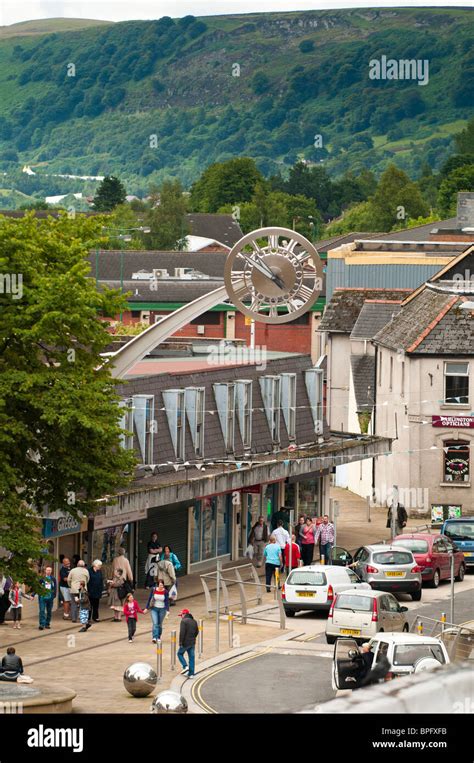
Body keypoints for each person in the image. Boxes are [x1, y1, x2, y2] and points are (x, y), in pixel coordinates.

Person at [146, 579, 169, 643]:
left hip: (162, 609)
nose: (161, 586)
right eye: (160, 585)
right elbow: (150, 599)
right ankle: (154, 637)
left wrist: (167, 610)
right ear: (158, 585)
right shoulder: (154, 590)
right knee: (155, 623)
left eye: (162, 585)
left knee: (159, 624)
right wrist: (146, 608)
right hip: (154, 609)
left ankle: (158, 637)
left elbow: (167, 601)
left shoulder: (165, 592)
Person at [177, 609, 199, 678]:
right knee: (191, 657)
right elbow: (197, 631)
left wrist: (180, 642)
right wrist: (193, 638)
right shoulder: (194, 621)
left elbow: (182, 633)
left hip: (185, 642)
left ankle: (185, 666)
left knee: (179, 654)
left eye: (181, 615)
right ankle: (191, 674)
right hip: (192, 642)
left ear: (184, 614)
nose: (181, 617)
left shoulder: (183, 621)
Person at [37, 566, 57, 631]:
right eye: (47, 570)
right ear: (45, 571)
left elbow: (55, 587)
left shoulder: (53, 578)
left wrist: (54, 595)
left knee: (49, 611)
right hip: (42, 597)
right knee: (42, 610)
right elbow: (37, 587)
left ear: (51, 571)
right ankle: (41, 624)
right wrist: (33, 594)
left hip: (50, 597)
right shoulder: (42, 578)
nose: (49, 571)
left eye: (50, 570)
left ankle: (47, 623)